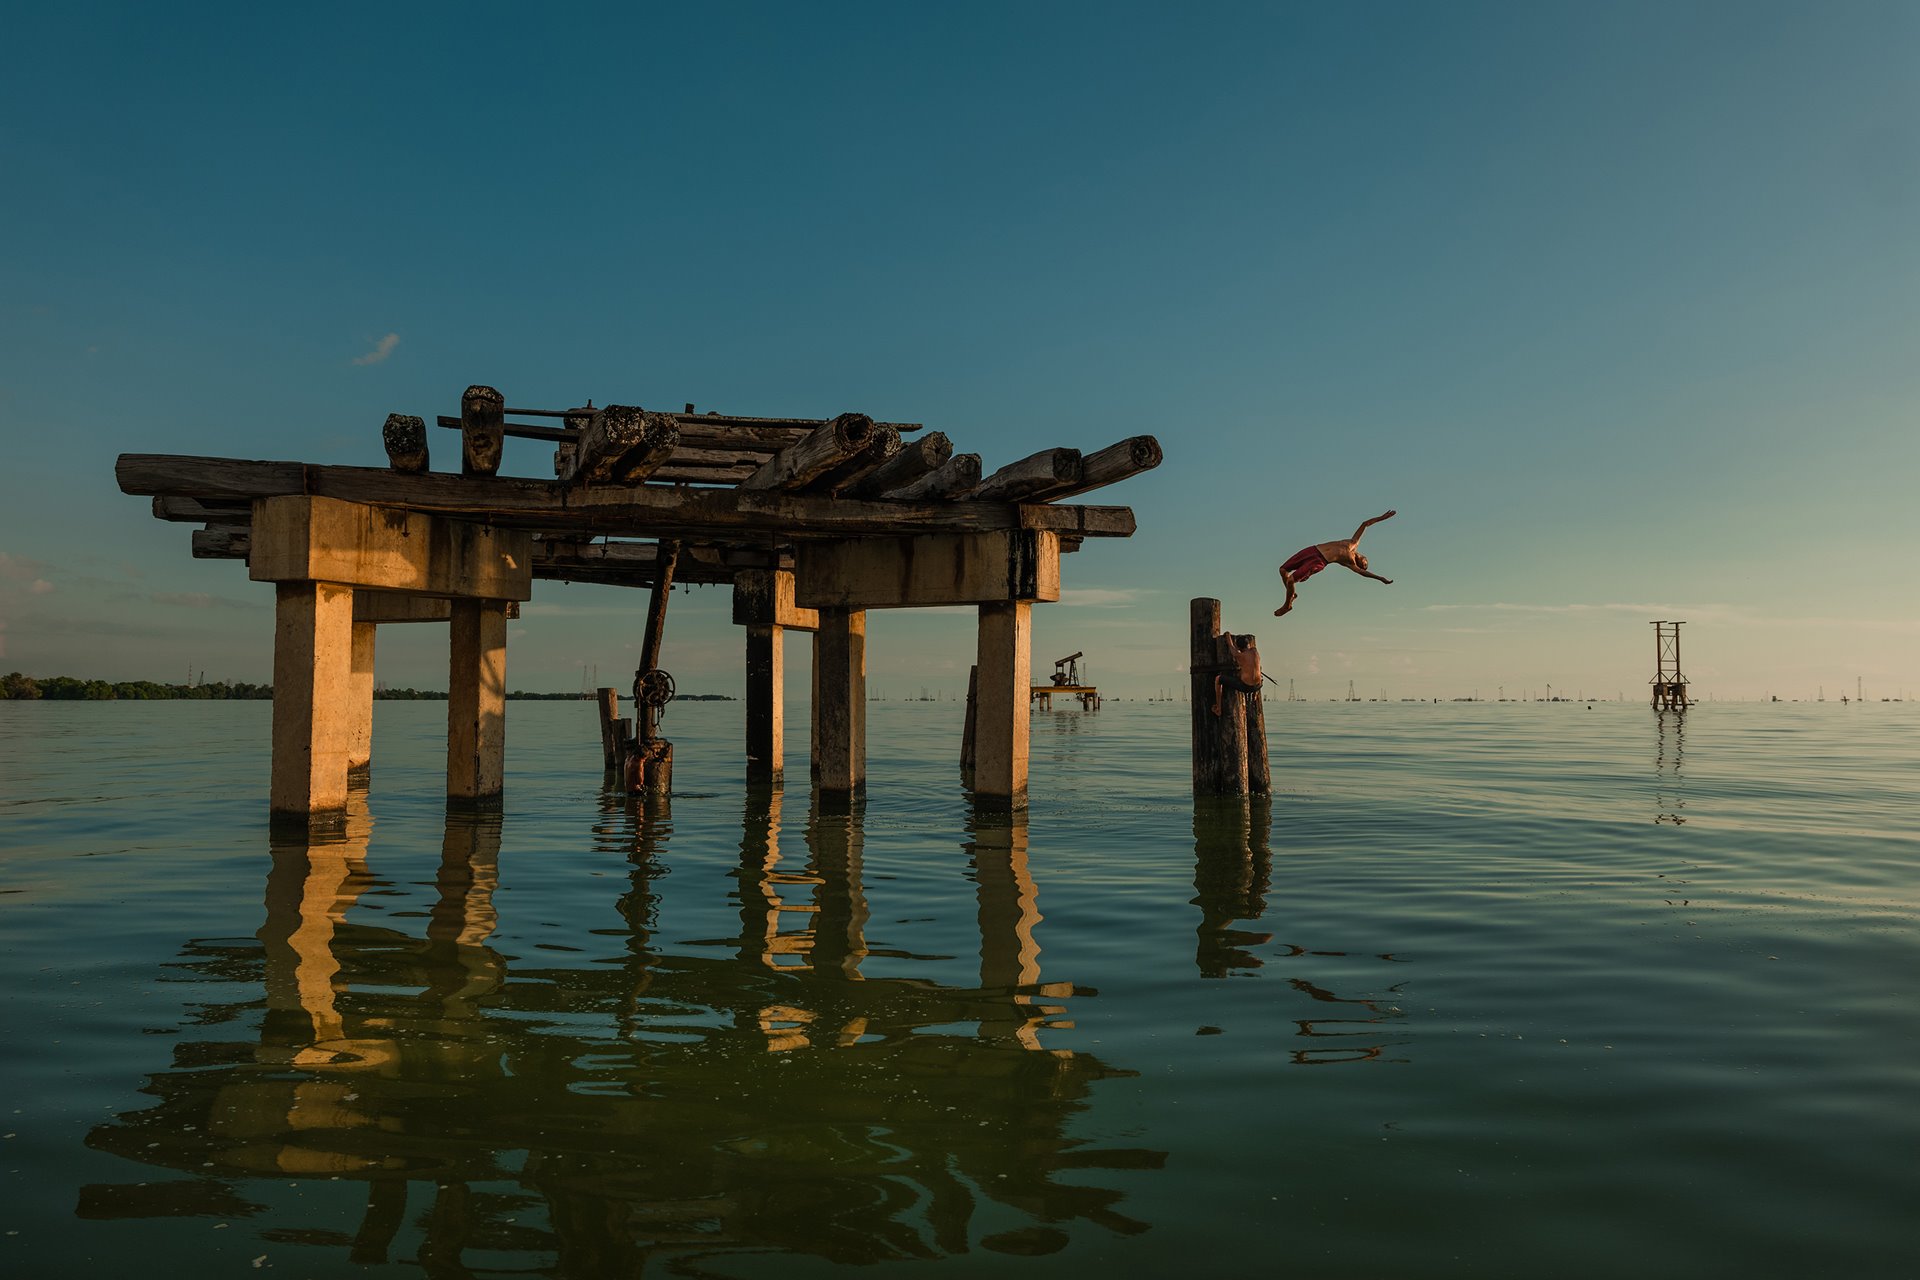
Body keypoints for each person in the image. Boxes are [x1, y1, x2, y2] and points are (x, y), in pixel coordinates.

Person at [1275, 509, 1397, 616]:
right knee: (1283, 570)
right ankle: (1292, 594)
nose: (1363, 564)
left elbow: (1363, 573)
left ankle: (1287, 605)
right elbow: (1365, 524)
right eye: (1366, 563)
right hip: (1313, 550)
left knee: (1291, 580)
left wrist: (1380, 578)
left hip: (1319, 561)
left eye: (1364, 566)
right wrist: (1382, 517)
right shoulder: (1353, 543)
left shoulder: (1350, 562)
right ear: (1364, 557)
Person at [1212, 632, 1263, 716]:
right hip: (1258, 685)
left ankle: (1218, 708)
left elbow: (1231, 646)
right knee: (1259, 670)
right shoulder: (1255, 651)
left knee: (1218, 679)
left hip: (1246, 687)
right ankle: (1255, 694)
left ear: (1238, 647)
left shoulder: (1238, 655)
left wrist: (1228, 635)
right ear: (1248, 644)